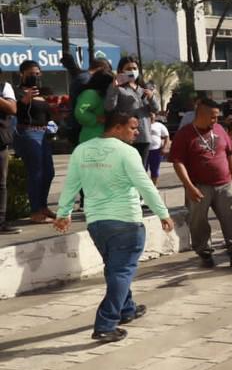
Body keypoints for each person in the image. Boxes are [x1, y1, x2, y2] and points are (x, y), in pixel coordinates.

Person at [53, 111, 173, 342]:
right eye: (132, 127)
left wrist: (63, 213)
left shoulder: (82, 150)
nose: (137, 132)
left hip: (97, 224)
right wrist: (163, 213)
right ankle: (106, 324)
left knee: (115, 269)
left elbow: (70, 184)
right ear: (117, 128)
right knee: (121, 271)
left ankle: (126, 309)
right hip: (126, 223)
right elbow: (144, 184)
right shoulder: (127, 152)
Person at [170, 97, 232, 269]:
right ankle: (205, 253)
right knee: (198, 221)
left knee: (231, 217)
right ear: (201, 114)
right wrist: (189, 186)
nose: (216, 120)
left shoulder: (220, 129)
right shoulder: (184, 134)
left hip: (225, 183)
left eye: (217, 117)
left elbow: (230, 152)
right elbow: (178, 162)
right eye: (213, 117)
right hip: (199, 186)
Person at [14, 61, 55, 224]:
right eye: (31, 73)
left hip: (43, 134)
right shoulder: (17, 91)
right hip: (27, 133)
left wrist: (54, 124)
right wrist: (24, 99)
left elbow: (46, 115)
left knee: (49, 172)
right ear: (21, 74)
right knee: (35, 172)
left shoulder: (41, 93)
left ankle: (43, 206)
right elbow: (14, 111)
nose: (35, 76)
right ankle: (35, 211)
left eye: (37, 73)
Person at [104, 57, 160, 166]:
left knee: (141, 169)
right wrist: (114, 87)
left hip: (144, 135)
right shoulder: (118, 89)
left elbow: (156, 109)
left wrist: (151, 97)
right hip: (125, 137)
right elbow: (109, 107)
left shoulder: (143, 89)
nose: (132, 71)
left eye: (134, 68)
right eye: (128, 68)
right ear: (121, 71)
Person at [74, 69, 115, 145]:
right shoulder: (91, 94)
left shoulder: (104, 95)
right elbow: (80, 112)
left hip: (103, 138)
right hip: (92, 138)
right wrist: (97, 119)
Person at [0, 77, 17, 234]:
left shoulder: (4, 87)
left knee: (1, 184)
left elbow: (12, 108)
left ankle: (1, 222)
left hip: (0, 142)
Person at [145, 116, 170, 187]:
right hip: (144, 151)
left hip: (156, 151)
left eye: (152, 114)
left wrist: (164, 148)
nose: (151, 116)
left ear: (155, 116)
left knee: (155, 170)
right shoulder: (142, 124)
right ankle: (145, 188)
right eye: (149, 114)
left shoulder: (159, 125)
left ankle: (154, 187)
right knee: (143, 170)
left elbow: (166, 137)